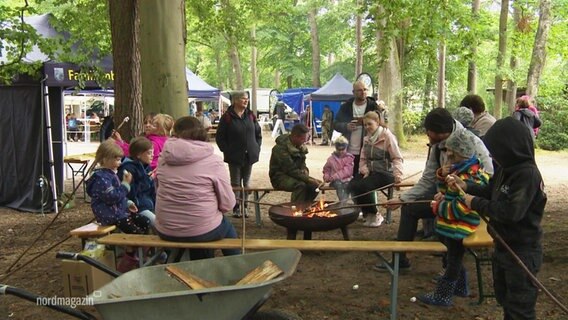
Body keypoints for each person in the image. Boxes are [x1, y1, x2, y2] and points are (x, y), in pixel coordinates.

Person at [446, 117, 546, 319]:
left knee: (520, 308)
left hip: (522, 251)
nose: (493, 154)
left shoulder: (527, 175)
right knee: (505, 300)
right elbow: (491, 191)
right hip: (501, 246)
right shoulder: (504, 169)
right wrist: (467, 186)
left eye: (497, 149)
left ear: (510, 147)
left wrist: (474, 202)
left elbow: (511, 212)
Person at [379, 108, 493, 270]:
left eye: (430, 132)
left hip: (465, 205)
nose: (427, 135)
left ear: (444, 133)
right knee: (410, 209)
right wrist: (403, 198)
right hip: (446, 198)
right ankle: (400, 261)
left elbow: (488, 176)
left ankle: (450, 273)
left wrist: (463, 188)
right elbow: (429, 178)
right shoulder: (437, 145)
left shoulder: (471, 143)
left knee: (449, 222)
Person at [417, 129, 490, 306]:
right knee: (452, 257)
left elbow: (460, 207)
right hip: (453, 224)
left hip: (459, 226)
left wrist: (438, 207)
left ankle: (443, 296)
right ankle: (460, 287)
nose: (447, 154)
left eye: (451, 152)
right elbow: (448, 192)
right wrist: (442, 181)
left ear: (462, 153)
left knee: (453, 260)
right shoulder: (460, 170)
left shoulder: (470, 176)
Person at [154, 116, 240, 260]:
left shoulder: (163, 158)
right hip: (201, 230)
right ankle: (239, 266)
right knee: (223, 227)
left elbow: (158, 189)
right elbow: (228, 203)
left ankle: (185, 267)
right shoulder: (213, 161)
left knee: (202, 227)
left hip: (166, 228)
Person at [86, 140, 151, 271]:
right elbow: (111, 197)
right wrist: (126, 185)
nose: (120, 163)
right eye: (117, 160)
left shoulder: (110, 175)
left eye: (120, 159)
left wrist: (127, 203)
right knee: (135, 232)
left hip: (120, 212)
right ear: (105, 159)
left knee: (145, 222)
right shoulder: (101, 178)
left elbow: (117, 197)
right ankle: (130, 259)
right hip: (110, 215)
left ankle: (136, 253)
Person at [348, 111, 403, 227]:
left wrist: (398, 175)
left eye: (369, 124)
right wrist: (364, 170)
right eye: (365, 125)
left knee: (364, 186)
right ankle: (366, 212)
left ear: (377, 122)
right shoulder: (367, 139)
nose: (367, 127)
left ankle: (375, 214)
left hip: (385, 173)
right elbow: (362, 159)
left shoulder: (388, 137)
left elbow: (397, 158)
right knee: (352, 185)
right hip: (371, 172)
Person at [216, 91, 262, 218]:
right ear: (235, 100)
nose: (246, 101)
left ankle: (245, 206)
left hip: (249, 156)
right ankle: (236, 207)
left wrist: (256, 148)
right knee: (235, 183)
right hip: (234, 156)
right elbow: (220, 137)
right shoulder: (227, 117)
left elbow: (258, 133)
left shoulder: (251, 115)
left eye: (247, 99)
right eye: (243, 99)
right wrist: (227, 150)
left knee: (246, 183)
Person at [269, 124, 323, 205]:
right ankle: (295, 210)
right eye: (303, 139)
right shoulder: (280, 149)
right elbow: (290, 169)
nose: (304, 142)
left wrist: (305, 170)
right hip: (279, 177)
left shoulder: (299, 146)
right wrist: (308, 179)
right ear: (295, 137)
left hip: (295, 175)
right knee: (300, 185)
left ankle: (305, 206)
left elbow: (302, 163)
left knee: (314, 185)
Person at [334, 81, 380, 176]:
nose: (363, 92)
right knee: (349, 177)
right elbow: (335, 124)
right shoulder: (346, 107)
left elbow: (380, 124)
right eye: (359, 90)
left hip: (368, 149)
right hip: (349, 150)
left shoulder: (372, 106)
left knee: (366, 178)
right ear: (353, 92)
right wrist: (346, 126)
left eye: (365, 89)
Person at [117, 136, 157, 225]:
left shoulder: (146, 167)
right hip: (136, 208)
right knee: (158, 224)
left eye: (153, 152)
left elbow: (150, 191)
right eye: (149, 153)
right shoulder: (128, 169)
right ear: (138, 155)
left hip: (149, 205)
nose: (153, 155)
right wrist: (147, 179)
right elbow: (130, 193)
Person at [322, 136, 354, 202]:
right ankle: (342, 201)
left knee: (346, 185)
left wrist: (335, 176)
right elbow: (326, 169)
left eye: (343, 149)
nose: (341, 152)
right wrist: (326, 176)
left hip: (347, 179)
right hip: (335, 181)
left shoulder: (349, 158)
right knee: (338, 185)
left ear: (346, 148)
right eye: (339, 150)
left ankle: (343, 202)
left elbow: (347, 171)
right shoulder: (331, 159)